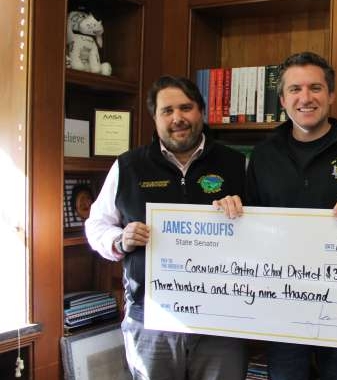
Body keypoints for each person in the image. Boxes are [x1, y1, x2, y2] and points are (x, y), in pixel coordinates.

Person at [213, 51, 337, 380]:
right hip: (282, 307)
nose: (305, 98)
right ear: (282, 99)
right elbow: (250, 228)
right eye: (295, 89)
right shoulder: (262, 155)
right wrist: (229, 210)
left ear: (331, 95)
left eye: (315, 88)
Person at [85, 75, 249, 379]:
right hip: (150, 321)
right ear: (155, 117)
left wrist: (244, 214)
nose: (178, 118)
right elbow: (96, 224)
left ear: (201, 111)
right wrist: (121, 239)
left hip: (222, 320)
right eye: (167, 110)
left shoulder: (237, 164)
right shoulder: (128, 166)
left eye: (186, 108)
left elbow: (268, 233)